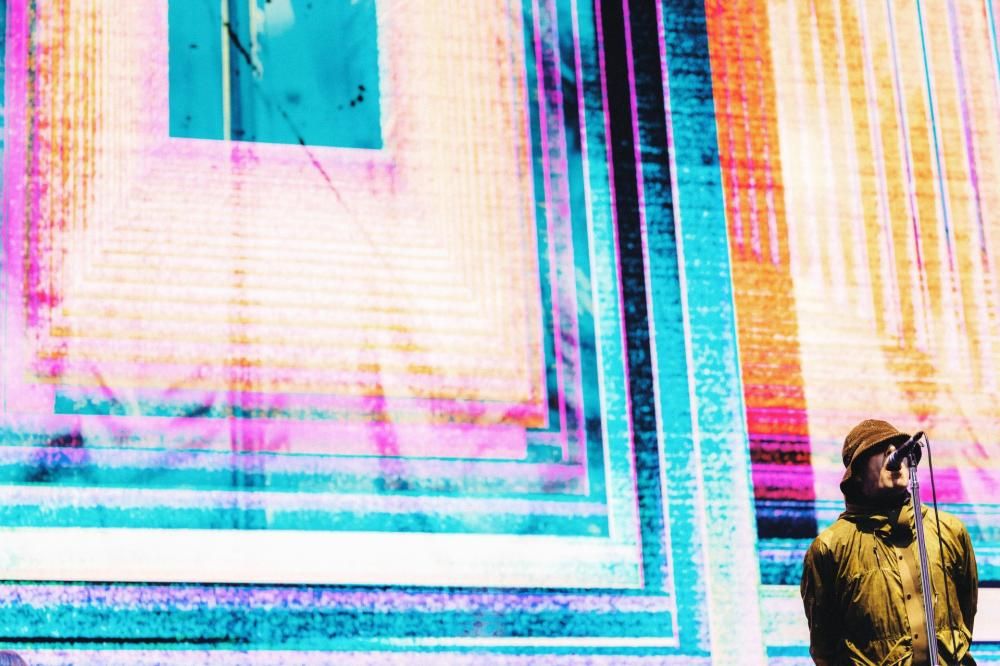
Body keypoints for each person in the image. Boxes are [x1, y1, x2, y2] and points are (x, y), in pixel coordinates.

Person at [800, 419, 978, 665]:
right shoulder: (830, 548)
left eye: (897, 446)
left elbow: (965, 614)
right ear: (857, 474)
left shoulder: (949, 531)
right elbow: (824, 648)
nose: (894, 451)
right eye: (880, 448)